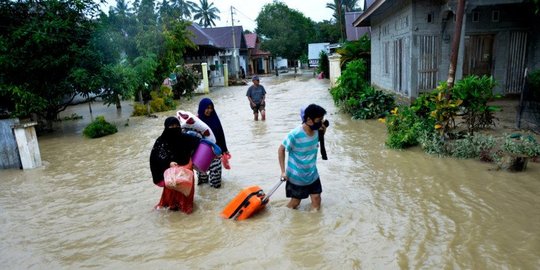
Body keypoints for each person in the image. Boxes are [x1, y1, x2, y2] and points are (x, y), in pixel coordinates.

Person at [278, 104, 327, 211]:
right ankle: (282, 212)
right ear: (309, 120)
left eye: (322, 120)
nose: (321, 123)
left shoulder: (317, 131)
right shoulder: (294, 134)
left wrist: (323, 131)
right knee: (295, 202)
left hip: (312, 173)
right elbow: (281, 149)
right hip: (297, 175)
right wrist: (283, 172)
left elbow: (315, 141)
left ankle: (314, 225)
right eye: (319, 120)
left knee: (317, 198)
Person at [150, 117, 200, 213]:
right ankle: (172, 208)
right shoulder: (161, 141)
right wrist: (168, 162)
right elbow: (156, 157)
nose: (175, 128)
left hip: (187, 170)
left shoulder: (186, 138)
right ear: (166, 127)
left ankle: (186, 211)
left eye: (177, 125)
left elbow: (200, 143)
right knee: (171, 198)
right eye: (172, 126)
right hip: (171, 172)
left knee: (186, 195)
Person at [196, 98, 229, 188]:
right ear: (202, 108)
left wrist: (225, 150)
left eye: (211, 108)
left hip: (215, 154)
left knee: (216, 184)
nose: (209, 110)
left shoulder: (215, 118)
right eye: (207, 108)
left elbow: (220, 135)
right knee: (203, 184)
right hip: (200, 154)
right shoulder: (196, 121)